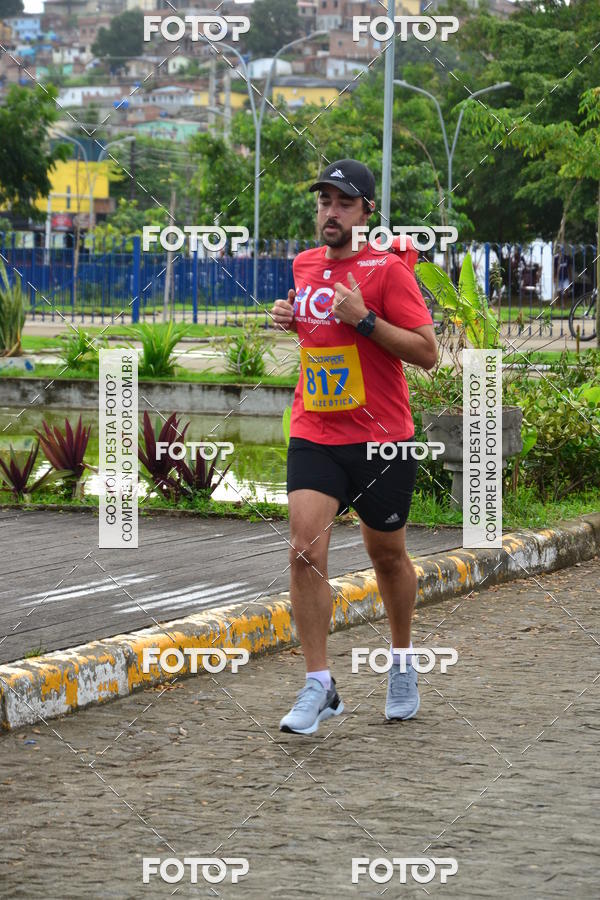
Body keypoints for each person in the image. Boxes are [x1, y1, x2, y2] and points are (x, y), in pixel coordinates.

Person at [271, 159, 437, 735]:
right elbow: (322, 336)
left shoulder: (387, 271)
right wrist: (292, 318)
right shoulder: (304, 264)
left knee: (386, 555)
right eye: (324, 201)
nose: (331, 211)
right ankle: (319, 684)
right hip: (315, 430)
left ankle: (401, 663)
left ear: (366, 212)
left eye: (343, 202)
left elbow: (426, 352)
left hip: (381, 437)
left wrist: (365, 320)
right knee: (303, 550)